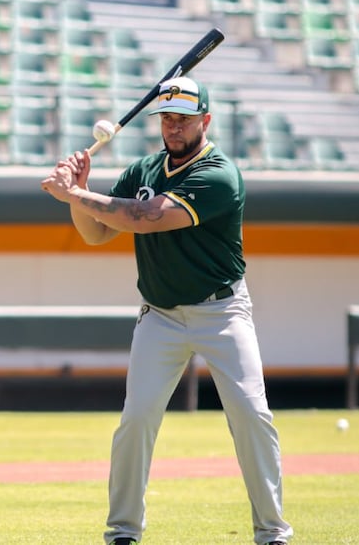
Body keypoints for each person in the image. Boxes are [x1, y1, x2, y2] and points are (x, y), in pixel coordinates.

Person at [41, 76, 293, 543]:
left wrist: (75, 196)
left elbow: (148, 218)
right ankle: (122, 531)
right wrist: (80, 191)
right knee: (136, 419)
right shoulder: (142, 170)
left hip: (222, 313)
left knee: (250, 414)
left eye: (184, 119)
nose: (174, 128)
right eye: (168, 119)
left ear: (206, 121)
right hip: (159, 314)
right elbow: (96, 232)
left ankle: (273, 532)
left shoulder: (219, 173)